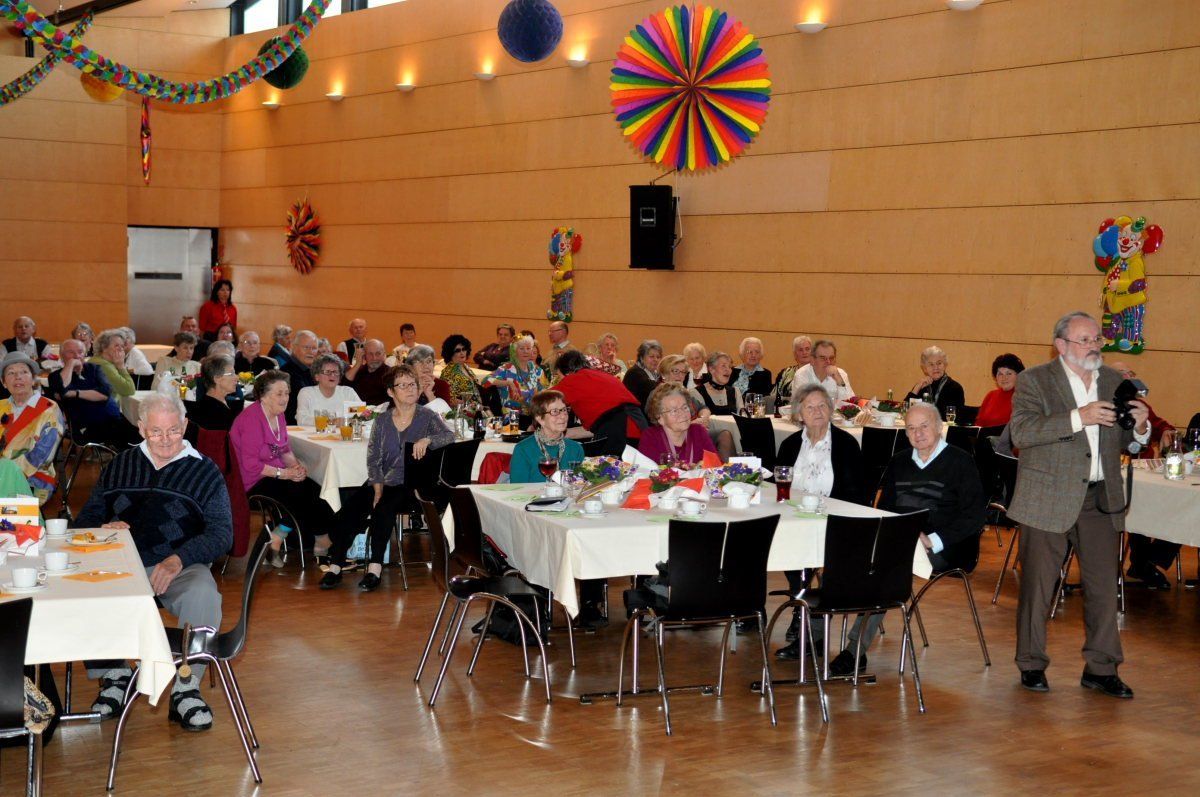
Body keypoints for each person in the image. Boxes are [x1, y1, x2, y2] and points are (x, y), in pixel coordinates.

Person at [1009, 311, 1149, 699]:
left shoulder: (1113, 380)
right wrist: (1078, 417)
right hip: (1047, 498)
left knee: (1104, 587)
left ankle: (1102, 668)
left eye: (1096, 339)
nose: (1093, 346)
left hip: (1100, 499)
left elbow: (1124, 441)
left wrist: (1140, 428)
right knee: (1038, 587)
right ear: (1061, 345)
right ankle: (1031, 663)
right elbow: (1022, 432)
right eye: (1084, 340)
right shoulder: (1034, 380)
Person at [75, 392, 232, 731]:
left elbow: (222, 534)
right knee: (83, 591)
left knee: (204, 593)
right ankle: (115, 674)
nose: (165, 440)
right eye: (156, 431)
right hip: (120, 563)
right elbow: (85, 520)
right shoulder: (121, 465)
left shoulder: (204, 471)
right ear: (141, 428)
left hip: (180, 567)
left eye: (173, 430)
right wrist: (102, 529)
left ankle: (186, 687)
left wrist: (179, 559)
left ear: (185, 426)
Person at [828, 401, 986, 676]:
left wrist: (932, 540)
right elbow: (885, 509)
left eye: (924, 426)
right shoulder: (899, 461)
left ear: (939, 427)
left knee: (888, 566)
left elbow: (974, 516)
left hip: (946, 544)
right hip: (900, 537)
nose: (918, 433)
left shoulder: (960, 462)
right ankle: (814, 637)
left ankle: (854, 650)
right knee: (843, 554)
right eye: (911, 428)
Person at [319, 365, 455, 592]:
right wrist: (377, 488)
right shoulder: (382, 420)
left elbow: (449, 436)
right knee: (353, 507)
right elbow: (373, 459)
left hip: (414, 484)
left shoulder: (426, 416)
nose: (410, 389)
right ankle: (336, 564)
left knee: (384, 507)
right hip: (384, 480)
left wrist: (428, 440)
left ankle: (375, 568)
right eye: (403, 385)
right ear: (391, 392)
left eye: (413, 384)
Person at [773, 384, 867, 660]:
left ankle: (807, 627)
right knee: (784, 548)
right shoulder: (790, 445)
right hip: (796, 522)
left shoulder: (846, 445)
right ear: (799, 414)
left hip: (835, 524)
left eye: (822, 406)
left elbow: (859, 494)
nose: (817, 412)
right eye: (809, 407)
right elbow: (779, 486)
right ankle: (801, 611)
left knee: (819, 562)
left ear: (831, 410)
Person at [229, 370, 341, 566]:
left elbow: (284, 450)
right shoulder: (251, 419)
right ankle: (312, 540)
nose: (285, 398)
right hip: (251, 479)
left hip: (274, 474)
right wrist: (285, 474)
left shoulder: (278, 415)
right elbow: (251, 465)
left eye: (287, 393)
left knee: (317, 489)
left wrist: (296, 468)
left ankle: (288, 538)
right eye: (279, 393)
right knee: (300, 495)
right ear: (263, 396)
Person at [1105, 361, 1177, 590]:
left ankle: (1148, 561)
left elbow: (1159, 424)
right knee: (1137, 505)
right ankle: (1142, 563)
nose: (1127, 377)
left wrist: (1167, 431)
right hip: (1113, 474)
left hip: (1142, 468)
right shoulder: (1103, 405)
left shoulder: (1140, 405)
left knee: (1178, 506)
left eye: (1130, 373)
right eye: (1121, 374)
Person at [48, 338, 140, 446]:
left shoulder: (95, 369)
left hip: (113, 419)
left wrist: (75, 393)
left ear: (85, 354)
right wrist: (70, 365)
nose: (76, 356)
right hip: (86, 426)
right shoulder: (54, 376)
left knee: (142, 432)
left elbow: (105, 393)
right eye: (70, 352)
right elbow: (62, 390)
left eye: (80, 352)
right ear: (61, 356)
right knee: (132, 440)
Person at [554, 351, 647, 456]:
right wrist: (560, 434)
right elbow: (596, 428)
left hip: (622, 430)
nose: (560, 381)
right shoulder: (600, 376)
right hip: (637, 426)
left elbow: (544, 401)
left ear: (567, 373)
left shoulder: (574, 379)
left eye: (559, 376)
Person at [0, 352, 62, 504]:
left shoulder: (49, 408)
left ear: (34, 379)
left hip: (34, 479)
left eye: (24, 372)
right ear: (3, 382)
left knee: (8, 509)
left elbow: (43, 456)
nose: (18, 377)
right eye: (11, 373)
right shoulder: (1, 406)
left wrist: (6, 472)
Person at [510, 389, 585, 483]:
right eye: (555, 411)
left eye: (564, 410)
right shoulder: (523, 449)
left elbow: (579, 486)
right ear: (540, 418)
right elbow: (518, 488)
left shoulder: (576, 449)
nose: (563, 416)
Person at [638, 384, 717, 466]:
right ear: (660, 418)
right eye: (674, 411)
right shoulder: (650, 437)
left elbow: (715, 466)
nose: (683, 414)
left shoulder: (698, 431)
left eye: (685, 407)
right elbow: (646, 470)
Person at [483, 336, 548, 418]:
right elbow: (486, 381)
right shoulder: (507, 369)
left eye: (528, 348)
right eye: (521, 348)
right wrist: (508, 383)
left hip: (534, 415)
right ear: (515, 351)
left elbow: (544, 391)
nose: (525, 351)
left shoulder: (537, 371)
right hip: (512, 417)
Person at [296, 354, 361, 426]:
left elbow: (362, 413)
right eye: (327, 372)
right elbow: (302, 420)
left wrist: (347, 420)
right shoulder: (306, 393)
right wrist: (331, 421)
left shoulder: (348, 392)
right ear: (317, 376)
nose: (332, 375)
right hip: (314, 433)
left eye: (336, 372)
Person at [904, 345, 964, 419]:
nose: (935, 367)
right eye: (931, 364)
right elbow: (905, 411)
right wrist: (917, 388)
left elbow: (953, 416)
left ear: (945, 365)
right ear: (924, 368)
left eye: (939, 363)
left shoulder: (955, 388)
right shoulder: (922, 385)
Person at [186, 354, 241, 432]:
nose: (237, 377)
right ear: (217, 379)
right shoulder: (216, 414)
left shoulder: (222, 402)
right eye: (231, 374)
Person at [790, 339, 855, 404]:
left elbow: (850, 404)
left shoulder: (841, 374)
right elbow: (801, 404)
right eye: (823, 358)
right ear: (812, 360)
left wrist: (839, 382)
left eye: (831, 358)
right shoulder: (801, 374)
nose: (828, 362)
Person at [975, 354, 1025, 428]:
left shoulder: (1024, 397)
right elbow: (979, 424)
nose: (1004, 378)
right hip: (986, 435)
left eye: (1009, 373)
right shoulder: (991, 395)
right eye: (1000, 374)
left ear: (1018, 375)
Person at [280, 330, 319, 424]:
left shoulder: (315, 371)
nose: (310, 351)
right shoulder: (286, 373)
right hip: (293, 426)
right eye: (306, 347)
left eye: (314, 348)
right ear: (293, 347)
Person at [689, 351, 743, 417]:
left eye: (729, 367)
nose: (728, 370)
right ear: (711, 369)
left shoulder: (735, 392)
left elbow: (742, 419)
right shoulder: (696, 392)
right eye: (723, 366)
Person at [88, 329, 136, 398]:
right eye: (117, 345)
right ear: (104, 347)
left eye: (122, 346)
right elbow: (129, 390)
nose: (121, 349)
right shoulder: (104, 365)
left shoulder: (97, 360)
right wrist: (121, 367)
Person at [345, 338, 391, 406]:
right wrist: (358, 363)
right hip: (355, 410)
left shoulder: (390, 374)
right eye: (370, 354)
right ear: (364, 355)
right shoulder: (359, 371)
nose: (374, 358)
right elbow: (344, 387)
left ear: (384, 354)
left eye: (378, 354)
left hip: (379, 411)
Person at [770, 335, 813, 408]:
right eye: (800, 350)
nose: (804, 352)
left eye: (807, 349)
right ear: (795, 354)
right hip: (784, 411)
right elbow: (773, 397)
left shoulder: (818, 372)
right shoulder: (785, 373)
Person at [440, 334, 482, 405]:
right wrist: (467, 404)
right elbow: (449, 399)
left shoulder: (464, 366)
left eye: (464, 349)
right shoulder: (449, 372)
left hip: (474, 407)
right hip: (462, 409)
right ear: (451, 353)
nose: (462, 353)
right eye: (458, 350)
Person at [623, 339, 663, 407]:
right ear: (641, 358)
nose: (655, 360)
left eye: (658, 357)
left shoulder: (656, 374)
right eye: (651, 356)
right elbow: (654, 390)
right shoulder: (635, 373)